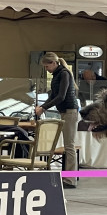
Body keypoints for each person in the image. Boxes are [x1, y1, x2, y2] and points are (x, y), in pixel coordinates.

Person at [35, 52, 78, 189]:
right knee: (68, 145)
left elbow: (61, 96)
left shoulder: (64, 73)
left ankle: (70, 179)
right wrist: (42, 106)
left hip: (70, 111)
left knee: (69, 146)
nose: (46, 69)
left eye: (47, 67)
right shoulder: (57, 75)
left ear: (54, 63)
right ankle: (67, 177)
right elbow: (53, 95)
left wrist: (44, 108)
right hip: (64, 111)